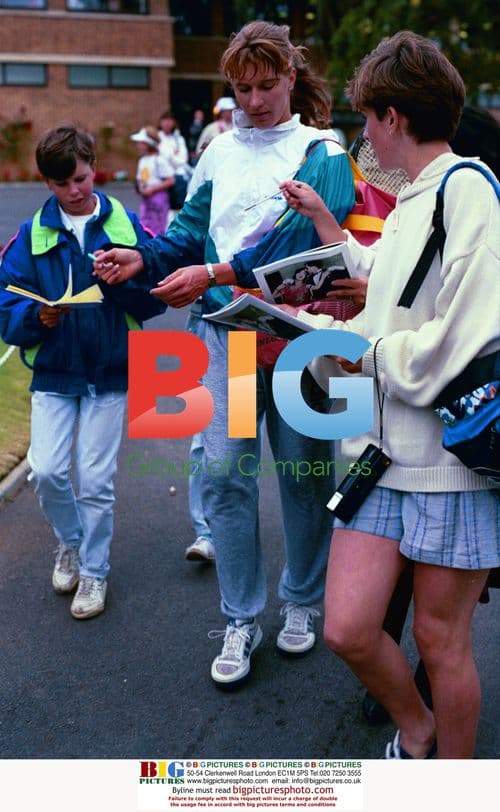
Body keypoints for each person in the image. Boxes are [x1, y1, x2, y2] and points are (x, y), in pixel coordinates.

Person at [92, 20, 356, 686]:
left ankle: (300, 601)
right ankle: (240, 617)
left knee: (304, 479)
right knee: (226, 477)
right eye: (243, 88)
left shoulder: (321, 147)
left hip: (299, 340)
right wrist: (141, 258)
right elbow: (186, 233)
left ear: (292, 78)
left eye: (268, 86)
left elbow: (298, 237)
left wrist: (214, 275)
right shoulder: (217, 148)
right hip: (226, 340)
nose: (256, 101)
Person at [279, 31, 500, 758]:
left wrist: (367, 352)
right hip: (381, 451)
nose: (362, 133)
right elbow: (395, 295)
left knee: (440, 642)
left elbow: (464, 334)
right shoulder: (413, 201)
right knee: (346, 625)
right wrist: (306, 311)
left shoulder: (469, 188)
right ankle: (418, 730)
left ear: (394, 117)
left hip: (447, 464)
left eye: (367, 118)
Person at [0, 124, 164, 620]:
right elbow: (8, 308)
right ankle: (71, 543)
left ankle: (94, 570)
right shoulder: (31, 235)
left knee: (95, 480)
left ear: (94, 168)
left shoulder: (127, 226)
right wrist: (37, 317)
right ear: (47, 183)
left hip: (111, 369)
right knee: (47, 471)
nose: (76, 191)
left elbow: (156, 292)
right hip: (54, 370)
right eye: (64, 183)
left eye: (83, 178)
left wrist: (120, 284)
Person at [130, 125, 175, 235]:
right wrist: (139, 188)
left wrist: (153, 189)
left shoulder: (159, 160)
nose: (138, 146)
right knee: (146, 226)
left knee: (158, 227)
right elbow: (142, 179)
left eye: (141, 143)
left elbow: (170, 180)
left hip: (158, 200)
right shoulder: (143, 160)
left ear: (148, 144)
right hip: (146, 200)